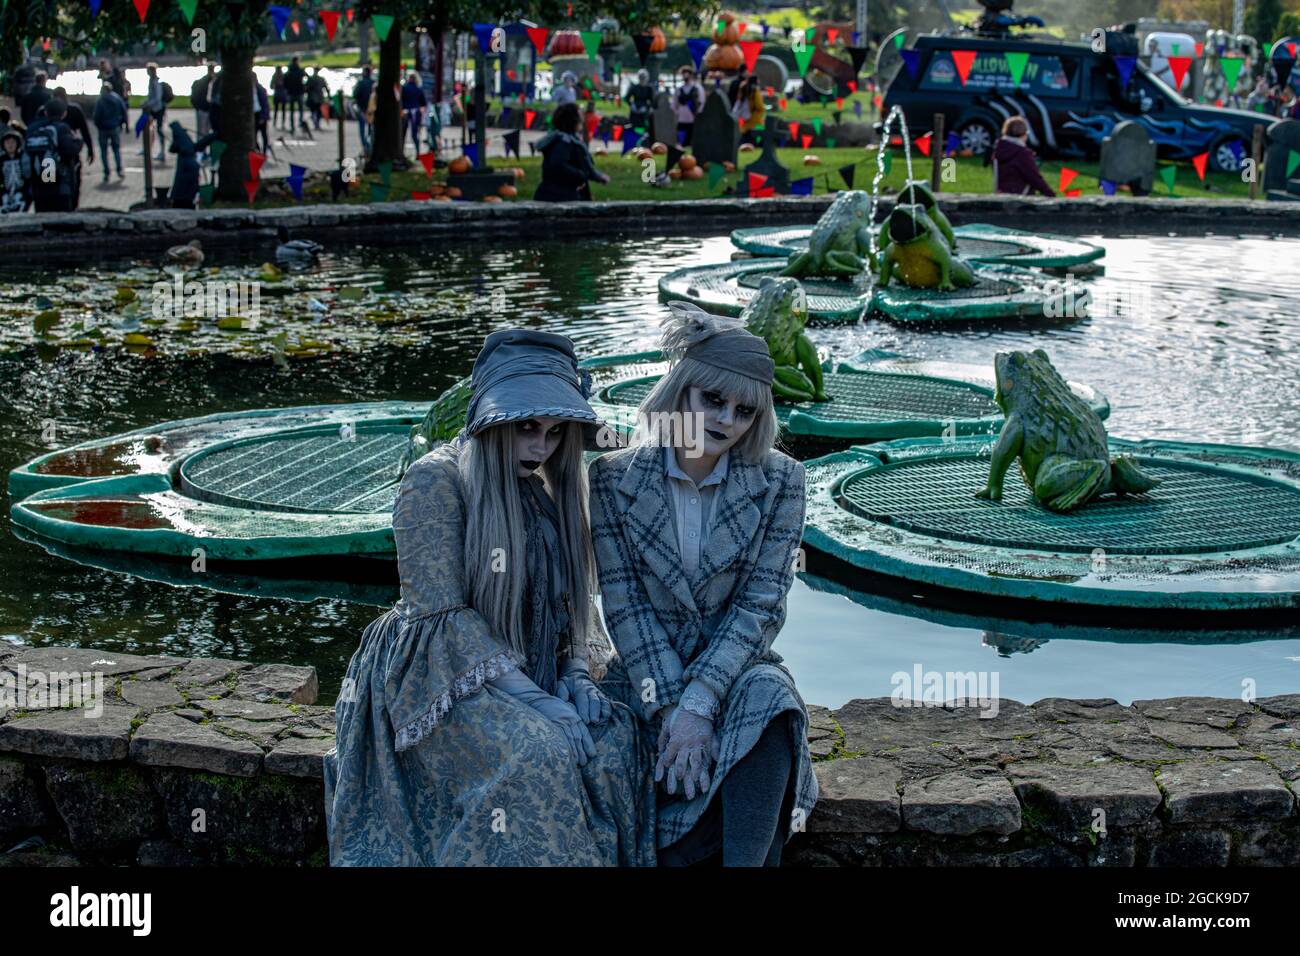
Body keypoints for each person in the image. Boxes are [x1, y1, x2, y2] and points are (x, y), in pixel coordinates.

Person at [324, 329, 657, 867]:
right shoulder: (434, 482)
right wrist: (540, 702)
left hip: (532, 666)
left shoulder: (551, 482)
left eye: (554, 431)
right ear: (490, 419)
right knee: (538, 752)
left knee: (614, 740)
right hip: (442, 679)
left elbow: (569, 601)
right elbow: (443, 620)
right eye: (525, 427)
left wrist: (573, 675)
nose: (540, 446)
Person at [587, 304, 818, 867]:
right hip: (646, 674)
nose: (726, 420)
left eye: (743, 410)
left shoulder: (782, 480)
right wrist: (672, 708)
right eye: (712, 400)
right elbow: (623, 604)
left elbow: (762, 605)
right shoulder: (612, 478)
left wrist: (701, 700)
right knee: (619, 756)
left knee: (770, 699)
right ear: (681, 392)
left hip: (733, 667)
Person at [534, 102, 609, 202]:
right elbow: (558, 164)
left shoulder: (561, 139)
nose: (581, 119)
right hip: (561, 195)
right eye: (579, 116)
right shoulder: (565, 142)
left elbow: (586, 168)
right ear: (573, 120)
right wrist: (581, 175)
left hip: (556, 192)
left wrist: (598, 176)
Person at [24, 98, 82, 213]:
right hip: (60, 185)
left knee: (42, 219)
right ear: (64, 113)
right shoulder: (62, 128)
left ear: (45, 112)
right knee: (62, 222)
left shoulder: (32, 128)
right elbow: (69, 150)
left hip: (38, 185)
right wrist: (79, 141)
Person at [992, 116, 1055, 197]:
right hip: (1021, 200)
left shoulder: (998, 149)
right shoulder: (1022, 153)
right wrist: (1051, 195)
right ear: (1024, 134)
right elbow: (1034, 178)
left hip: (1000, 196)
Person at [50, 89, 92, 208]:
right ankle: (70, 208)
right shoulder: (72, 113)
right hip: (68, 158)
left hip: (48, 158)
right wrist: (85, 146)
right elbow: (84, 131)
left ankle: (51, 208)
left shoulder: (43, 113)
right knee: (71, 185)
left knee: (48, 185)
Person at [92, 82, 128, 184]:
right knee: (116, 150)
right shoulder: (117, 98)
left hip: (103, 128)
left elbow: (96, 116)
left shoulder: (100, 100)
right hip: (114, 127)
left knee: (104, 152)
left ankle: (107, 173)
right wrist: (125, 124)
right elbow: (124, 111)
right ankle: (119, 169)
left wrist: (98, 125)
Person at [0, 126, 32, 214]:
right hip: (5, 194)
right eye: (7, 142)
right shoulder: (1, 160)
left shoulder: (24, 158)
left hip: (21, 193)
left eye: (13, 142)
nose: (10, 145)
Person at [142, 63, 167, 165]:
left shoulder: (156, 82)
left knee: (159, 130)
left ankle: (162, 151)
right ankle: (148, 147)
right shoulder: (151, 81)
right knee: (148, 128)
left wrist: (148, 104)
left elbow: (157, 98)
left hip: (158, 109)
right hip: (154, 108)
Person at [730, 74, 766, 143]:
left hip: (745, 120)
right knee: (757, 136)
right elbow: (760, 106)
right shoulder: (755, 91)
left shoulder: (743, 89)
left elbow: (738, 104)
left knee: (744, 135)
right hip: (755, 119)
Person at [674, 67, 704, 147]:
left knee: (692, 136)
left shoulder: (697, 88)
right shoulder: (679, 89)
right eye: (683, 74)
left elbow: (701, 102)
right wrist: (677, 113)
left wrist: (698, 114)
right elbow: (675, 104)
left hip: (693, 116)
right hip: (682, 117)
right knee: (681, 137)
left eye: (687, 74)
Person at [400, 72, 426, 154]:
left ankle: (401, 151)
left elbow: (401, 101)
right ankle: (418, 152)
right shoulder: (419, 89)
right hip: (416, 112)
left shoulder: (404, 88)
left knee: (403, 133)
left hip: (405, 112)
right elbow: (423, 103)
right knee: (414, 134)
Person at [353, 66, 374, 154]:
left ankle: (365, 145)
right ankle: (370, 144)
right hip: (371, 110)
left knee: (362, 128)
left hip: (362, 109)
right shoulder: (374, 83)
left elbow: (355, 94)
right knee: (370, 128)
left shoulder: (360, 83)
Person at [192, 63, 216, 138]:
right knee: (202, 132)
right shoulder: (206, 81)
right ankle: (202, 148)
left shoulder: (205, 81)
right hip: (204, 108)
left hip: (206, 109)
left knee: (203, 132)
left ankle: (202, 148)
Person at [627, 69, 655, 133]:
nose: (642, 79)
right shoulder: (634, 87)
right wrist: (631, 105)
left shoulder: (649, 88)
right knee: (633, 125)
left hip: (644, 109)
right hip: (634, 109)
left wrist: (649, 107)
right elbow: (627, 98)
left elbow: (652, 100)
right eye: (641, 77)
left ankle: (644, 138)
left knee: (645, 126)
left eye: (643, 77)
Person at [285, 56, 306, 130]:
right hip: (299, 93)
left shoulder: (288, 72)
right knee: (301, 110)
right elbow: (306, 79)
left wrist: (287, 90)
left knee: (292, 111)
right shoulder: (300, 71)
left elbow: (285, 82)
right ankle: (300, 123)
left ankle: (292, 126)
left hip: (291, 93)